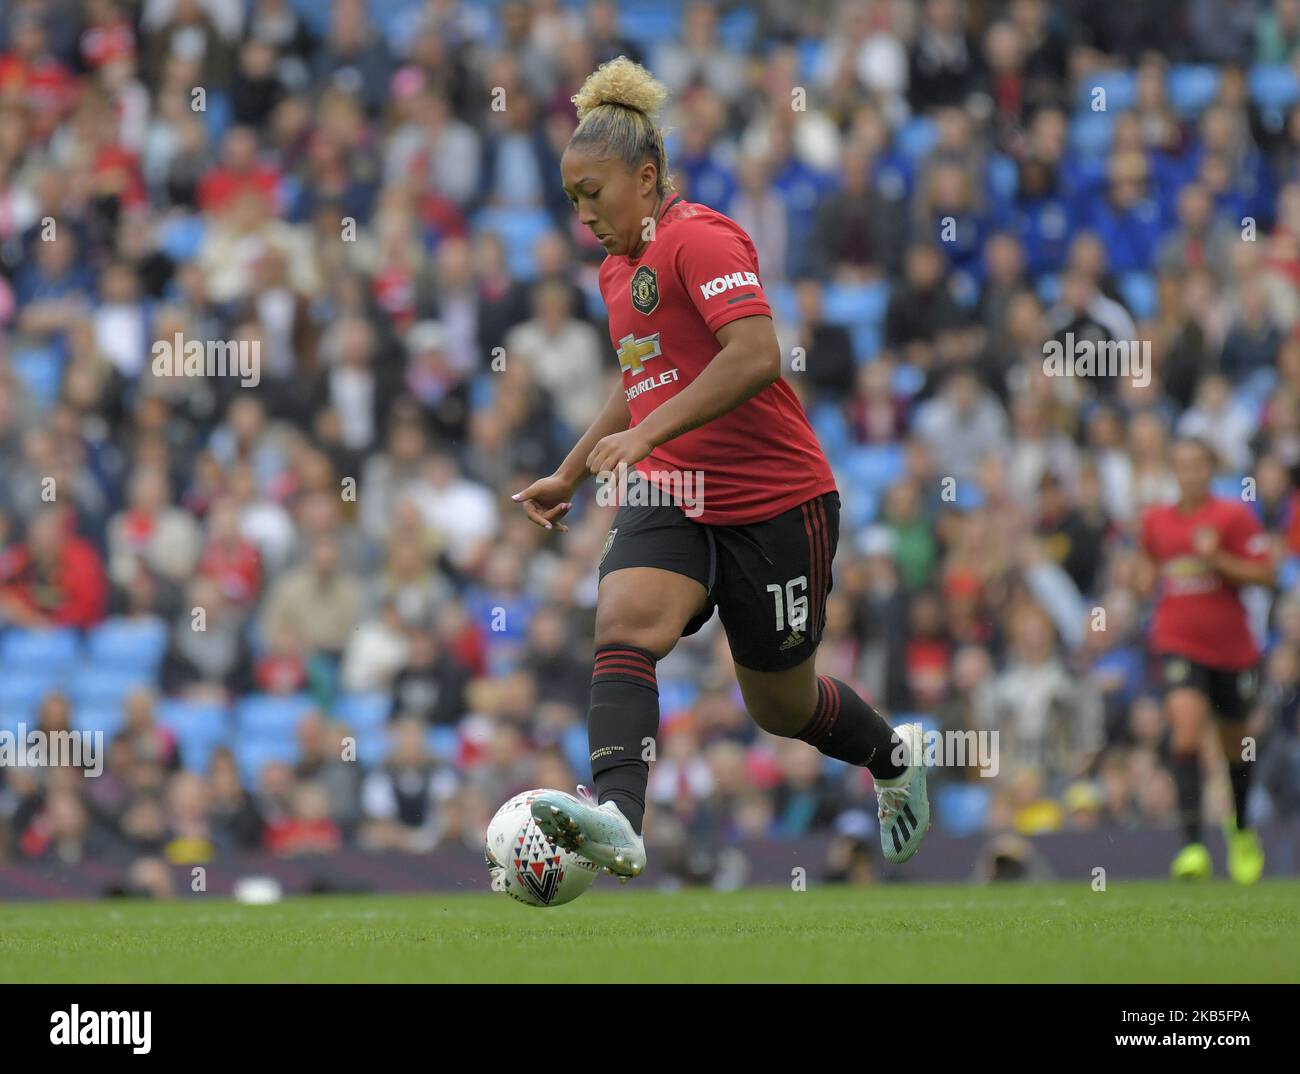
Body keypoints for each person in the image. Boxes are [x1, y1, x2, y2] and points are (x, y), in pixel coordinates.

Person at [511, 57, 931, 881]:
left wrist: (643, 435)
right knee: (626, 619)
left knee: (782, 707)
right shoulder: (613, 268)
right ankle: (621, 821)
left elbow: (757, 356)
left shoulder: (698, 237)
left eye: (593, 194)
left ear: (646, 176)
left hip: (778, 501)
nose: (583, 215)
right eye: (572, 199)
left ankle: (891, 756)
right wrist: (570, 470)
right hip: (676, 486)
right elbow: (642, 381)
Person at [1139, 437, 1275, 883]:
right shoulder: (1156, 521)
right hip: (1178, 641)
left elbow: (1265, 573)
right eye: (1181, 466)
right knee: (1185, 732)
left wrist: (1215, 558)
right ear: (1172, 471)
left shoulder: (1231, 516)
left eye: (1198, 465)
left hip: (1233, 650)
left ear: (1209, 469)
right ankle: (1194, 847)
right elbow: (1146, 572)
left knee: (1235, 746)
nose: (1190, 474)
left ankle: (1239, 831)